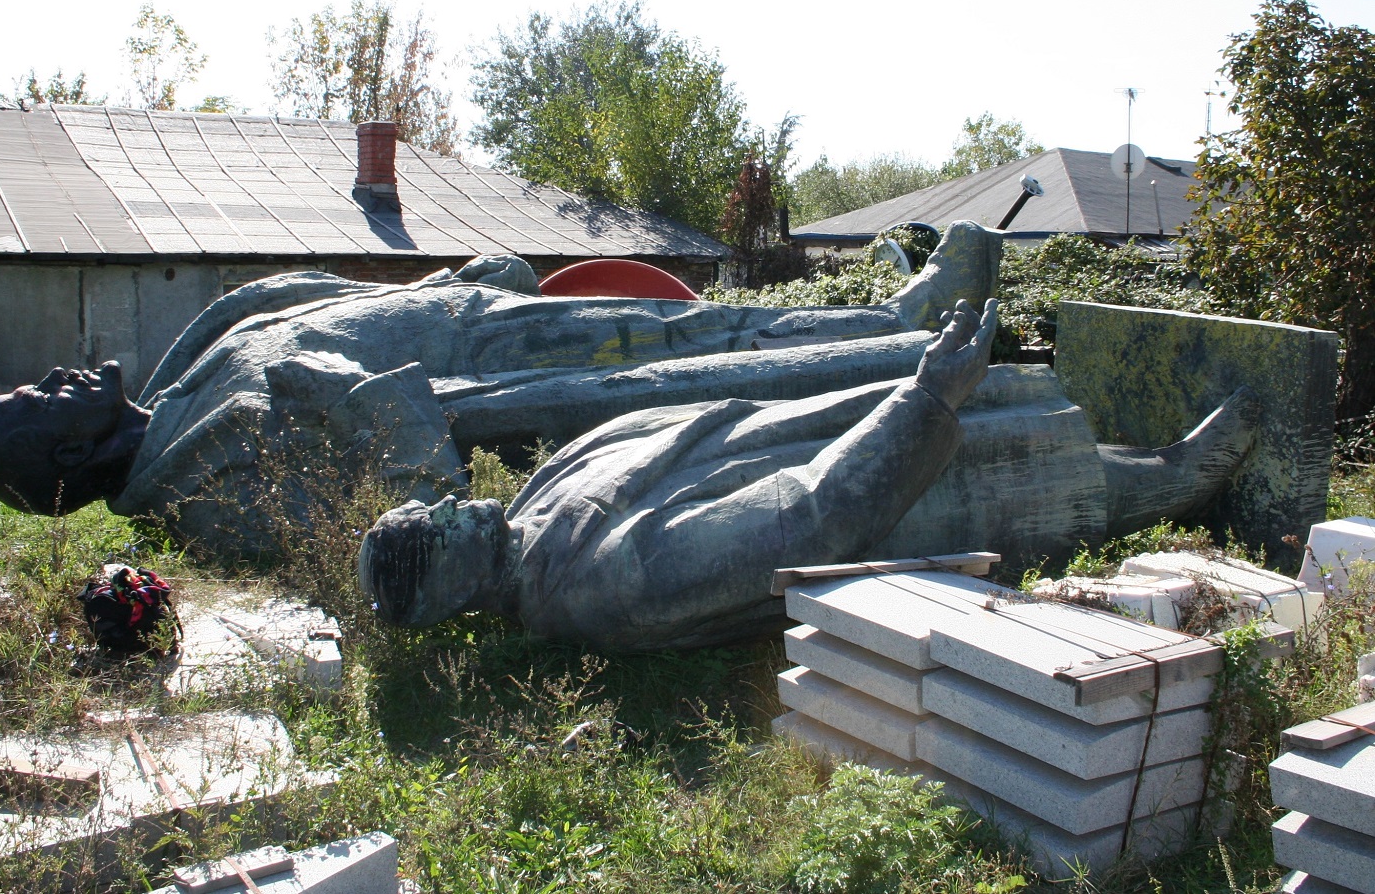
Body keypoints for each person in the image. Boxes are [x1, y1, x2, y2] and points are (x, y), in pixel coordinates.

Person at [0, 224, 1002, 548]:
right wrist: (376, 402)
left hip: (469, 313)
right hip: (486, 378)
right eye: (40, 401)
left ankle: (890, 317)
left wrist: (443, 282)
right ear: (70, 455)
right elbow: (387, 500)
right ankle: (894, 335)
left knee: (683, 316)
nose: (53, 378)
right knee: (685, 342)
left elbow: (309, 303)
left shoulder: (175, 378)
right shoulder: (200, 499)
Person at [359, 301, 1260, 651]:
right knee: (1041, 475)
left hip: (827, 429)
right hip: (900, 500)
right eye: (434, 529)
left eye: (430, 507)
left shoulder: (534, 508)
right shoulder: (607, 586)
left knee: (1013, 422)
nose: (448, 504)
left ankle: (1155, 459)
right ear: (447, 586)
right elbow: (808, 517)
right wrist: (922, 403)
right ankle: (1185, 472)